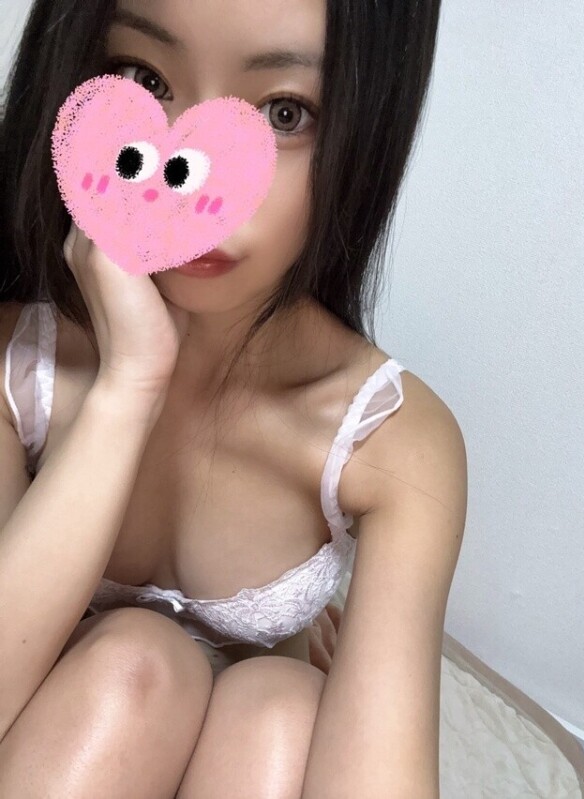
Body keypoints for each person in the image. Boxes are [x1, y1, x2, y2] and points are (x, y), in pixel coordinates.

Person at [0, 1, 465, 796]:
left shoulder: (391, 441)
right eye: (143, 78)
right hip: (67, 733)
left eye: (284, 113)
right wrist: (128, 386)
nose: (190, 170)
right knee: (138, 666)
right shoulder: (21, 361)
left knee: (283, 709)